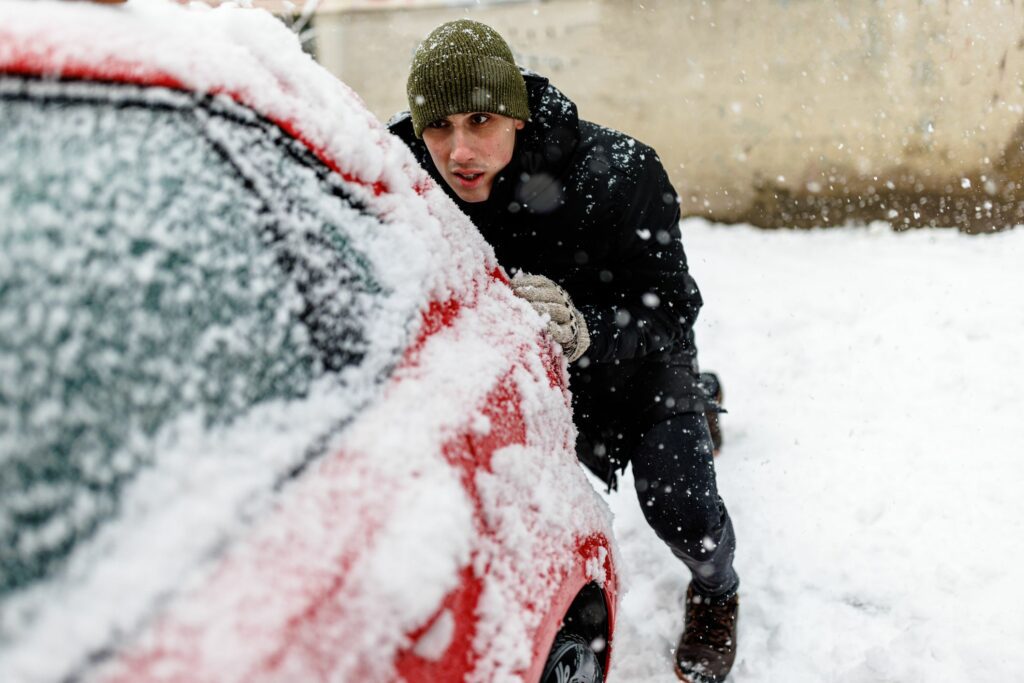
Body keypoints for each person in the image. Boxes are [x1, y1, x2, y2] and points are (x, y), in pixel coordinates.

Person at [389, 19, 739, 683]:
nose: (458, 148)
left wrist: (586, 329)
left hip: (635, 368)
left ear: (518, 117)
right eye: (437, 125)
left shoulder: (621, 172)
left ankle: (718, 588)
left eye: (481, 119)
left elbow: (672, 310)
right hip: (514, 377)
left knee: (683, 507)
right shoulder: (400, 173)